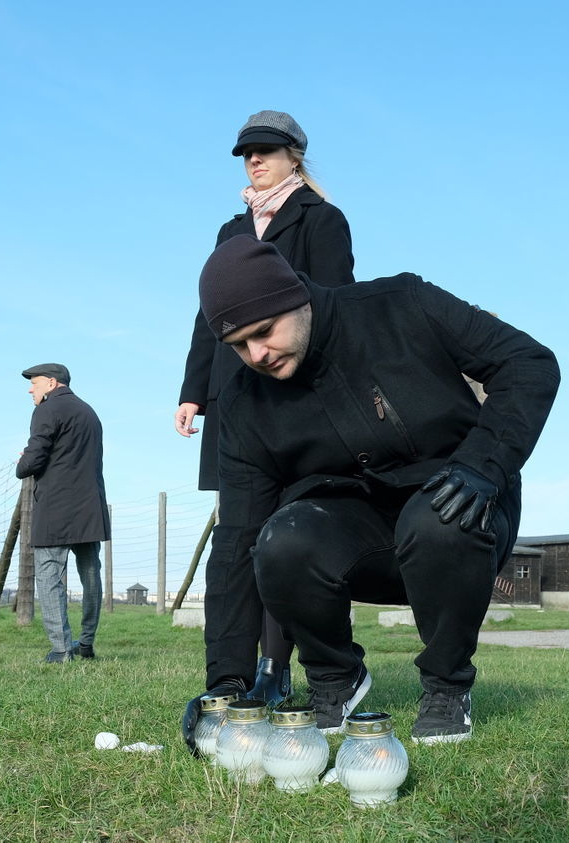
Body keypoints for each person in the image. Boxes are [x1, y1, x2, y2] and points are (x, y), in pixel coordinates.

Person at [182, 235, 558, 747]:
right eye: (239, 346)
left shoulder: (402, 304)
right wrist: (226, 682)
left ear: (296, 296)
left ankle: (447, 686)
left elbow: (529, 363)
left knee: (438, 518)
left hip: (461, 504)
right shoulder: (247, 403)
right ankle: (335, 679)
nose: (257, 354)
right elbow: (234, 543)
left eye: (264, 332)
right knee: (280, 537)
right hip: (359, 536)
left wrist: (483, 464)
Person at [175, 110, 355, 705]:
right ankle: (229, 679)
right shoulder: (231, 232)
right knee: (236, 536)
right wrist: (193, 391)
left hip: (294, 395)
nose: (255, 159)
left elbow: (334, 306)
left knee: (283, 535)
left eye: (268, 150)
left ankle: (276, 672)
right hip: (235, 401)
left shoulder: (321, 221)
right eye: (247, 152)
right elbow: (209, 318)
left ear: (294, 157)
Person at [15, 363, 110, 664]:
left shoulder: (47, 409)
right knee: (91, 574)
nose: (31, 389)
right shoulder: (89, 412)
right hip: (90, 505)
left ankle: (60, 648)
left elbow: (33, 459)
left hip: (56, 506)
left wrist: (23, 462)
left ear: (52, 383)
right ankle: (87, 643)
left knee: (49, 575)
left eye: (35, 383)